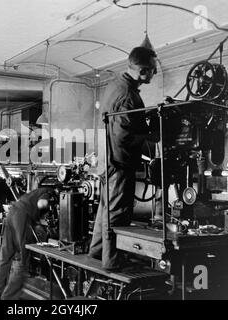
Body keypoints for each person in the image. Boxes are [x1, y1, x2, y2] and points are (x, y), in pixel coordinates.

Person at [89, 47, 160, 271]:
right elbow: (124, 137)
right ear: (142, 71)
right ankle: (112, 261)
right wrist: (151, 136)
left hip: (106, 160)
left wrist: (144, 118)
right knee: (117, 213)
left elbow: (122, 123)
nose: (154, 74)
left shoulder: (115, 84)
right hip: (118, 163)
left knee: (105, 210)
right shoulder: (129, 95)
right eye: (152, 71)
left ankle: (98, 251)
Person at [0, 187, 55, 300]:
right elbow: (42, 203)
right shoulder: (49, 192)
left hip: (12, 213)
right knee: (22, 258)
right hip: (20, 217)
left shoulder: (36, 191)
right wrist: (48, 207)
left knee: (4, 257)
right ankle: (8, 297)